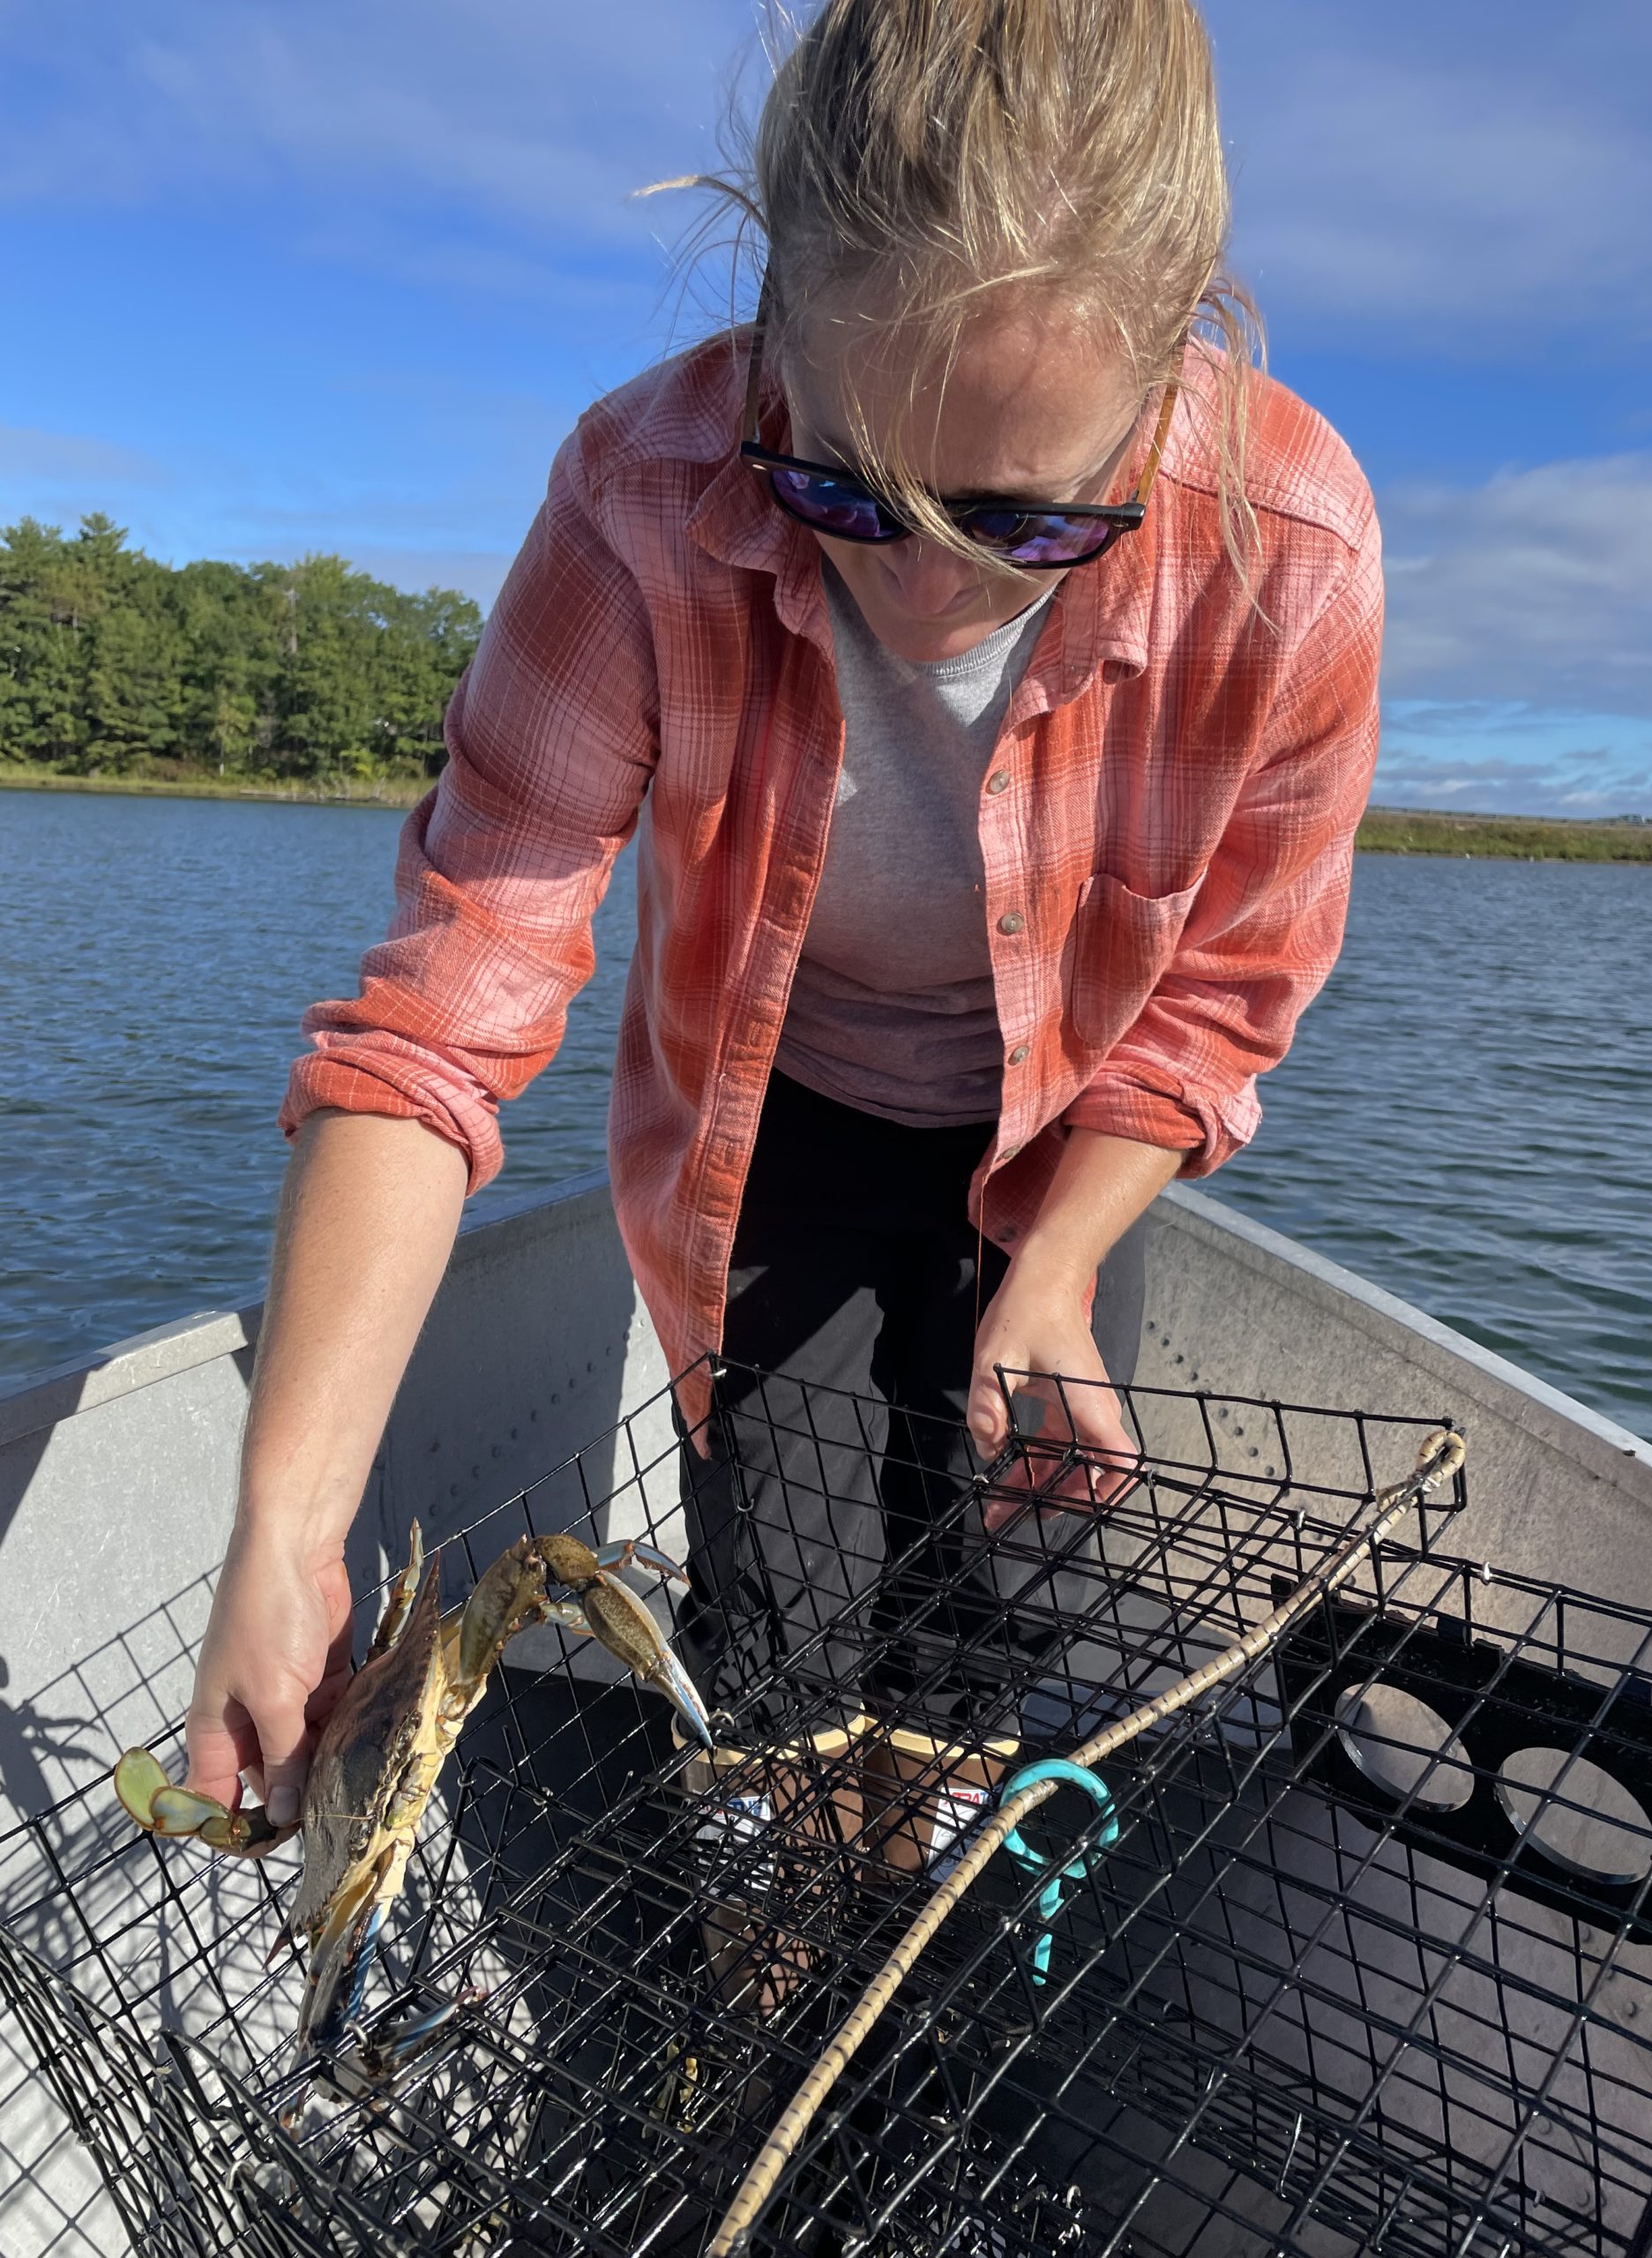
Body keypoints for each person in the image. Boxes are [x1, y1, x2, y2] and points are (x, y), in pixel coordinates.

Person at [183, 0, 1380, 1864]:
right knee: (790, 1655)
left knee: (980, 1630)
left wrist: (1057, 1258)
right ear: (772, 330)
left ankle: (925, 1937)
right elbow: (440, 1021)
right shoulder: (638, 499)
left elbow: (1227, 989)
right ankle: (782, 1984)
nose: (921, 592)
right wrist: (283, 1519)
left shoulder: (1292, 547)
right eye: (840, 491)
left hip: (1068, 1135)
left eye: (1020, 521)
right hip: (777, 1129)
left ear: (1178, 365)